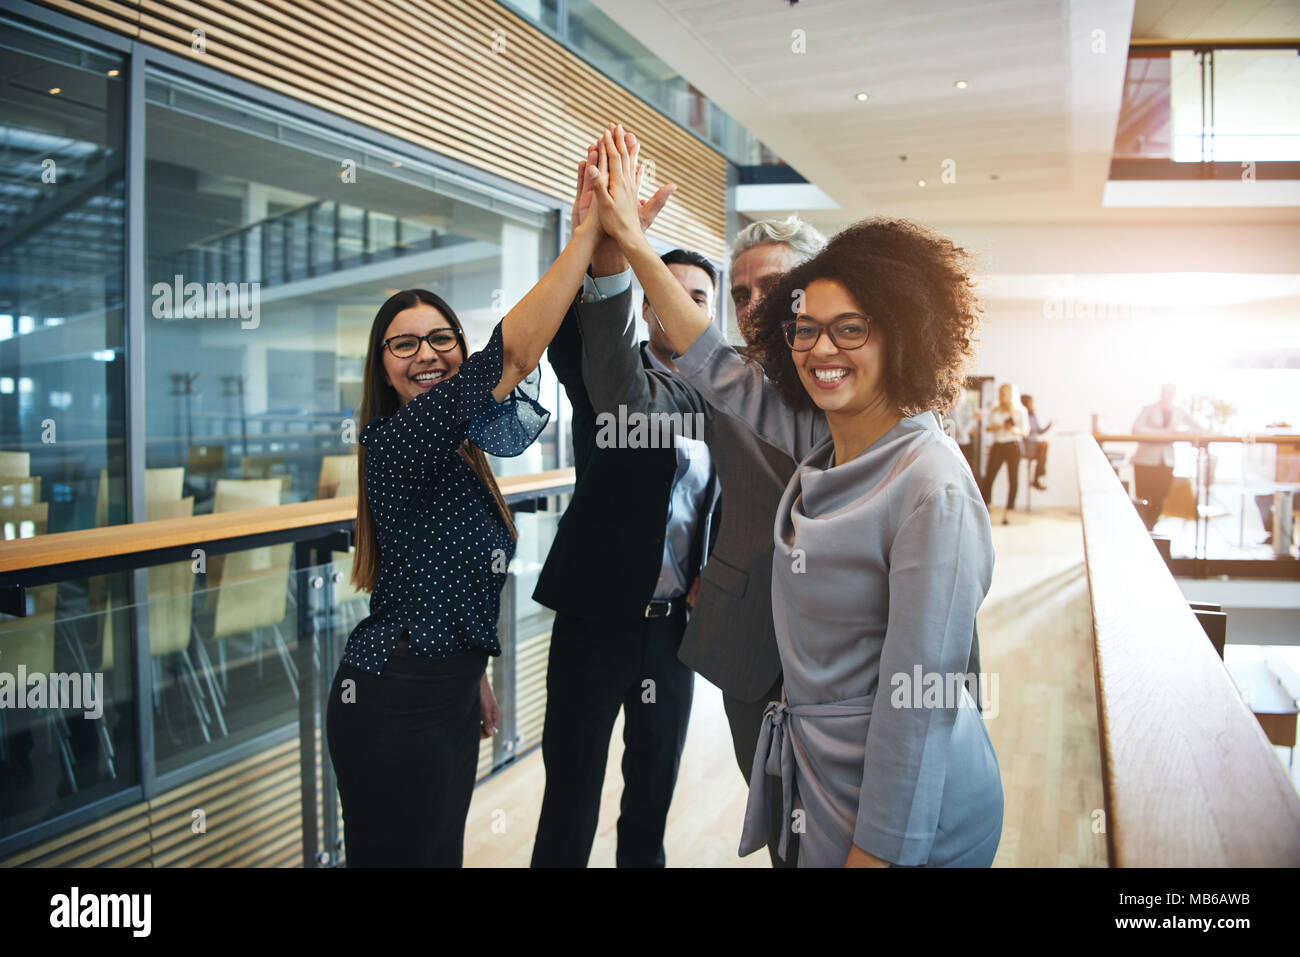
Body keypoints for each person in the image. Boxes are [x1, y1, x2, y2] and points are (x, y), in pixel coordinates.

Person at [586, 124, 1002, 867]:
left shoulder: (926, 480)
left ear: (898, 334)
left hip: (890, 781)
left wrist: (877, 853)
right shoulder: (812, 420)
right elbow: (710, 360)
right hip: (799, 738)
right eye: (804, 329)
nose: (819, 347)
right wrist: (628, 247)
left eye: (849, 328)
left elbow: (916, 709)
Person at [324, 149, 607, 867]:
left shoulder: (458, 448)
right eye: (404, 343)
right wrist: (585, 237)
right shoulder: (393, 440)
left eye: (441, 337)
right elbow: (508, 358)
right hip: (391, 698)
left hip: (444, 689)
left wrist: (475, 672)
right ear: (381, 364)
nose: (427, 353)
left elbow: (439, 577)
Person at [572, 214, 828, 869]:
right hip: (755, 656)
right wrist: (608, 270)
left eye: (772, 287)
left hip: (853, 659)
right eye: (740, 295)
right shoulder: (723, 383)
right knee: (786, 837)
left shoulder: (868, 377)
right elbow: (626, 403)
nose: (752, 306)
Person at [530, 134, 716, 868]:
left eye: (698, 297)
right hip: (593, 623)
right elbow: (595, 356)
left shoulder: (727, 398)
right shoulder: (607, 369)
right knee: (569, 798)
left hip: (674, 633)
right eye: (662, 291)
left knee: (651, 800)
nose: (680, 305)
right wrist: (611, 255)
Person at [1131, 383, 1199, 531]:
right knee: (1144, 495)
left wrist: (1180, 433)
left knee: (1161, 495)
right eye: (1165, 392)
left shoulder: (1179, 411)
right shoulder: (1148, 409)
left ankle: (1152, 526)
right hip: (1146, 460)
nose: (1167, 395)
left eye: (1171, 393)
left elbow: (1196, 428)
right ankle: (1144, 528)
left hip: (1167, 460)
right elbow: (1136, 429)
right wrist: (1163, 433)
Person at [980, 383, 1027, 525]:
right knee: (989, 477)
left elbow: (1025, 432)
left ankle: (1008, 512)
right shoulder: (995, 410)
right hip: (998, 445)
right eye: (1000, 393)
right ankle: (985, 507)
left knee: (1013, 479)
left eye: (1005, 394)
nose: (1002, 397)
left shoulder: (1020, 411)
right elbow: (988, 428)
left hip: (1013, 445)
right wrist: (999, 427)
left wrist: (1012, 429)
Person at [1020, 394, 1052, 491]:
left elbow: (1039, 431)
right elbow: (1023, 433)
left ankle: (1038, 478)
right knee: (1043, 449)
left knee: (1044, 448)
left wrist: (1049, 425)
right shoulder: (1021, 415)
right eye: (1031, 402)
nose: (1032, 405)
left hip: (1034, 445)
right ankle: (1039, 478)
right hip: (1026, 445)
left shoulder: (1033, 416)